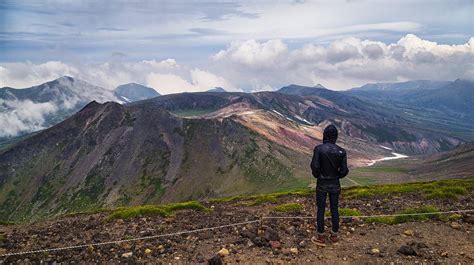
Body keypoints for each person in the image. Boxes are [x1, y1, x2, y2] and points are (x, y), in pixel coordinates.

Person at [310, 124, 349, 244]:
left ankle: (320, 237)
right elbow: (344, 171)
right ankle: (334, 236)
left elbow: (315, 167)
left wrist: (318, 175)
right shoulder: (342, 151)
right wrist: (337, 176)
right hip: (335, 184)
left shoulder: (319, 149)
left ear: (325, 135)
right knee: (334, 209)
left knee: (321, 209)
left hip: (322, 183)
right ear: (335, 137)